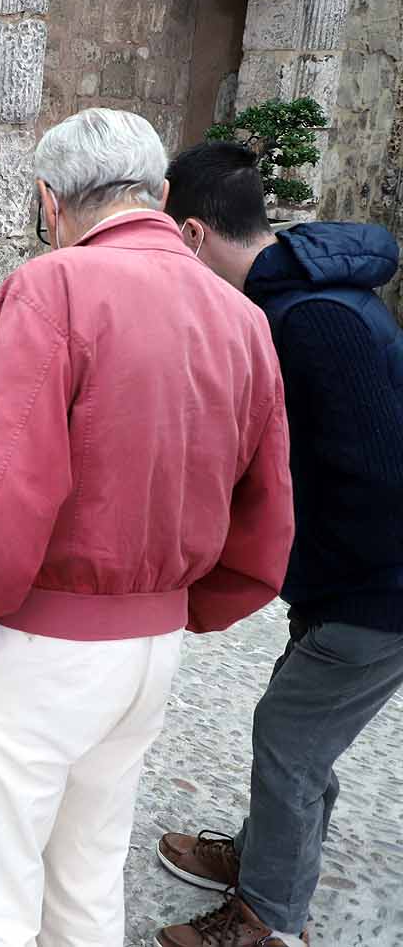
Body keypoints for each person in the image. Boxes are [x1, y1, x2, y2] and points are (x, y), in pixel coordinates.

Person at [0, 108, 295, 947]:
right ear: (159, 195)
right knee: (86, 876)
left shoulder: (51, 288)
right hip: (150, 650)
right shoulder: (243, 319)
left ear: (50, 202)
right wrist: (177, 607)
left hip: (36, 643)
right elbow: (267, 516)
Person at [152, 141, 403, 947]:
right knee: (301, 731)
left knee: (289, 740)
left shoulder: (314, 319)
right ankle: (265, 860)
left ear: (192, 235)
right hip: (344, 578)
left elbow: (374, 472)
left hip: (377, 585)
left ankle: (267, 919)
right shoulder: (297, 295)